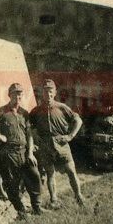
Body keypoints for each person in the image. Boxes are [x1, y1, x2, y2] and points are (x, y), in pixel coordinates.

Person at [0, 82, 42, 221]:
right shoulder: (2, 112)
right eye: (15, 94)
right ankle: (21, 211)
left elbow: (29, 135)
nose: (18, 96)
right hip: (9, 154)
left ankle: (37, 208)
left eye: (20, 93)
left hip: (24, 152)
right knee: (11, 185)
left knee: (35, 177)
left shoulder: (24, 113)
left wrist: (31, 153)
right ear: (9, 95)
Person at [29, 79, 86, 209]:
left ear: (54, 93)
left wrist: (70, 136)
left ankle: (79, 196)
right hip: (45, 146)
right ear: (42, 94)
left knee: (71, 171)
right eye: (45, 92)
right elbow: (30, 127)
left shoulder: (62, 107)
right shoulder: (36, 111)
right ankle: (54, 199)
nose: (48, 95)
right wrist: (36, 139)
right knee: (50, 173)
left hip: (61, 144)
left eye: (50, 92)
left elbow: (78, 120)